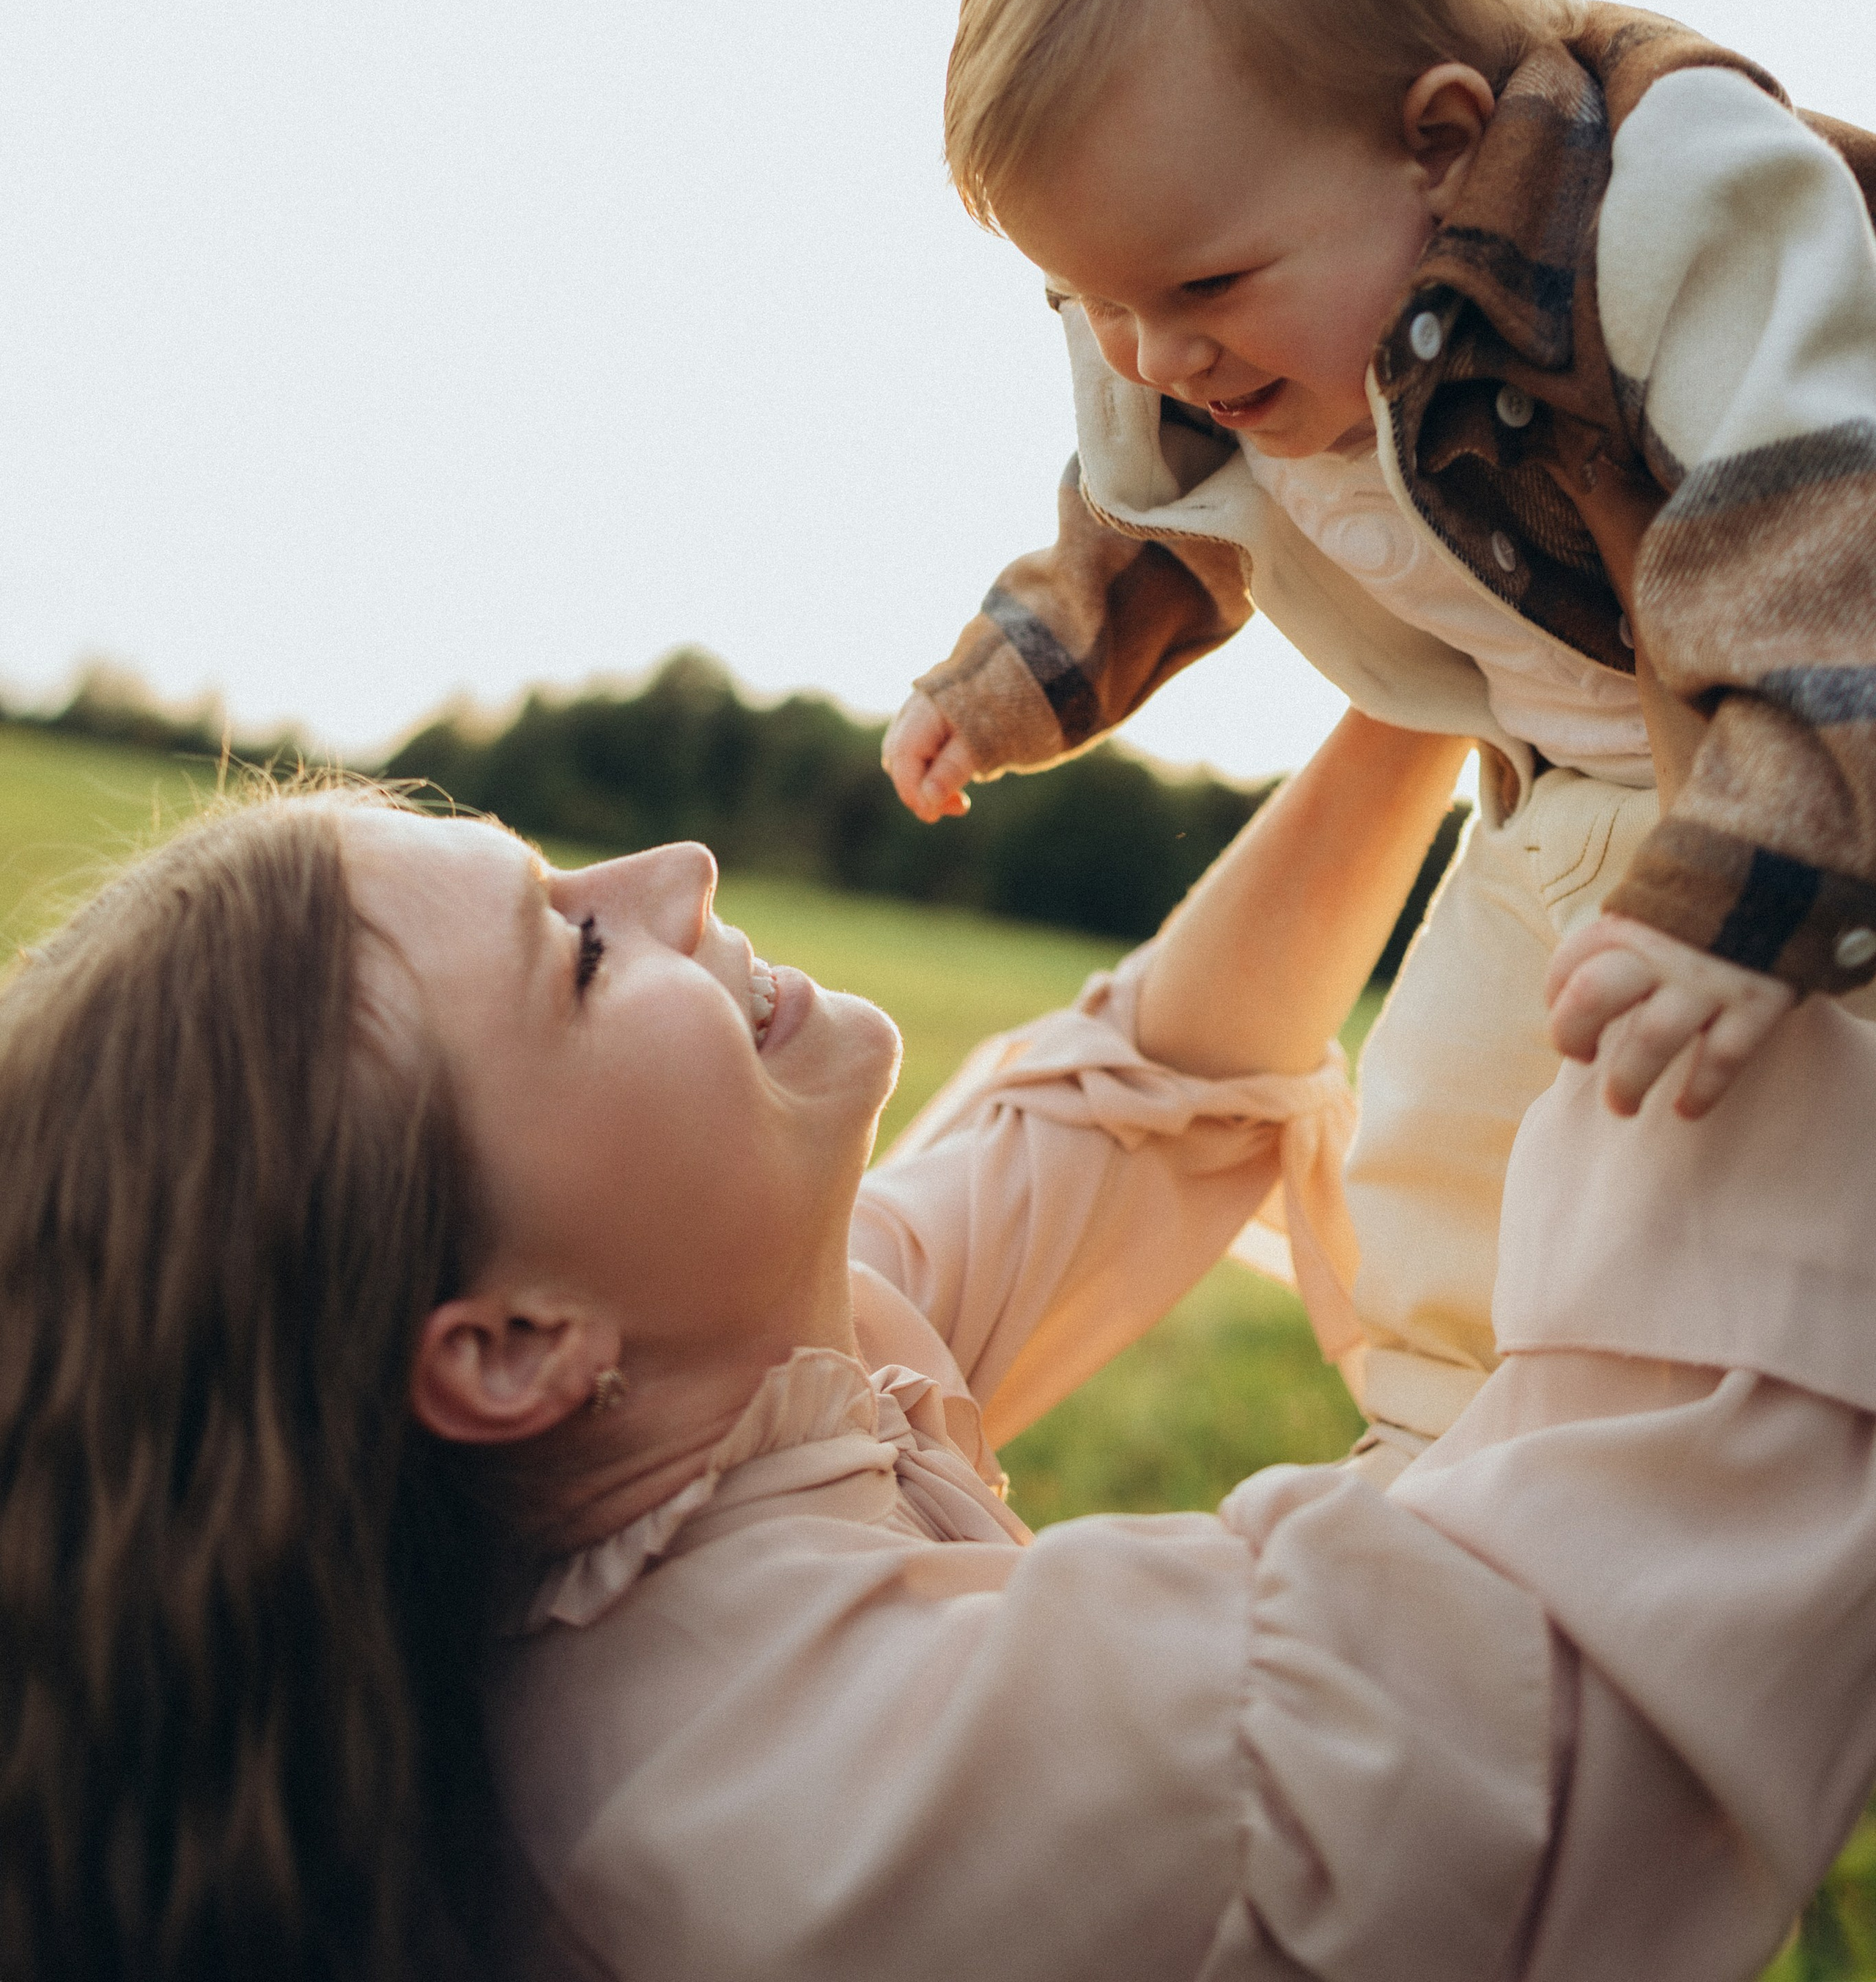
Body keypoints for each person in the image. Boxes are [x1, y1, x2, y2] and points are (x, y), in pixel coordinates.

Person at [6, 733, 1876, 1982]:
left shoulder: (702, 1388)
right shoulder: (794, 1805)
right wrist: (1758, 800)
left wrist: (1427, 647)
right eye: (573, 956)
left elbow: (1132, 1096)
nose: (672, 868)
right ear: (506, 1345)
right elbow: (1569, 1684)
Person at [884, 0, 1876, 1474]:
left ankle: (1745, 1494)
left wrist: (1749, 862)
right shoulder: (1223, 317)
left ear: (1436, 142)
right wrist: (1016, 676)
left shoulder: (1662, 210)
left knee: (1761, 1174)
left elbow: (1818, 530)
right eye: (1091, 299)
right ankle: (1438, 1466)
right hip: (1565, 795)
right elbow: (1147, 521)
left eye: (1194, 289)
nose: (1150, 354)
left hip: (1798, 749)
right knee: (1440, 1128)